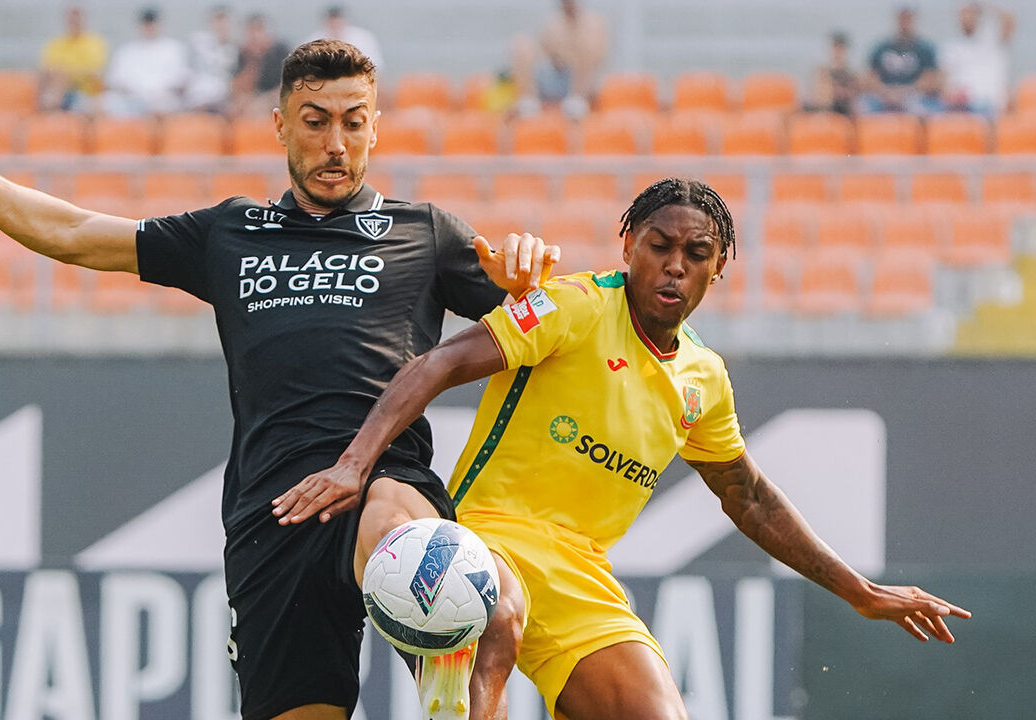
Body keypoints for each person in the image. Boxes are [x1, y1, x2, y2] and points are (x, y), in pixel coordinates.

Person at [0, 38, 557, 720]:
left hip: (379, 479)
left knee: (403, 535)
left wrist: (530, 282)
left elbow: (557, 326)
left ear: (375, 127)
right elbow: (72, 231)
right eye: (316, 120)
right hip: (274, 514)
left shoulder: (425, 233)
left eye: (354, 121)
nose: (336, 143)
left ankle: (445, 665)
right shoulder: (231, 233)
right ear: (281, 125)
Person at [276, 178, 972, 720]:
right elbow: (436, 365)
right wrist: (353, 463)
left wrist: (860, 592)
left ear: (718, 268)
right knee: (494, 615)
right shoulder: (572, 306)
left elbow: (747, 496)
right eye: (659, 246)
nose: (674, 267)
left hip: (583, 576)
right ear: (628, 246)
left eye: (695, 255)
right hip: (490, 536)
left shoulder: (704, 378)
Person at [511, 0, 608, 118]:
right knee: (522, 44)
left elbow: (596, 57)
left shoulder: (594, 23)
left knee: (586, 46)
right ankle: (529, 102)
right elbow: (544, 53)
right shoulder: (553, 24)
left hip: (581, 83)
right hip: (555, 76)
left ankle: (576, 103)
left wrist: (568, 53)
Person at [103, 7, 189, 117]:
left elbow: (182, 78)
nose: (149, 27)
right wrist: (137, 94)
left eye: (152, 23)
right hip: (132, 102)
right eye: (146, 23)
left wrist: (158, 94)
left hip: (165, 101)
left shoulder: (174, 48)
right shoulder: (127, 51)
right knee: (108, 102)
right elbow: (115, 79)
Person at [859, 5, 943, 115]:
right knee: (862, 106)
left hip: (915, 97)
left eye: (908, 18)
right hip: (884, 97)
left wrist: (904, 92)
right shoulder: (881, 48)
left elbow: (931, 80)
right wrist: (887, 92)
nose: (905, 22)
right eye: (902, 18)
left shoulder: (925, 49)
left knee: (927, 109)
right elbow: (870, 78)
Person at [941, 2, 1015, 117]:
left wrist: (983, 3)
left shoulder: (993, 40)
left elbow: (1009, 19)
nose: (966, 17)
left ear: (978, 15)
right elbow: (945, 82)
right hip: (963, 107)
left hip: (991, 106)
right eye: (963, 14)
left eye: (970, 13)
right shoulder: (952, 47)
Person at [38, 5, 107, 112]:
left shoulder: (94, 43)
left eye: (77, 19)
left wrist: (66, 72)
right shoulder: (57, 43)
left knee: (60, 76)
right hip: (61, 88)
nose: (74, 22)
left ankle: (50, 109)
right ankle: (47, 109)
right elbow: (47, 69)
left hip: (84, 91)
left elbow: (93, 72)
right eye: (72, 19)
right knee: (50, 76)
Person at [227, 13, 290, 118]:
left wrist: (265, 101)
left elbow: (289, 87)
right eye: (251, 32)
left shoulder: (281, 52)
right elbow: (237, 89)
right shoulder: (242, 53)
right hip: (253, 101)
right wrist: (254, 61)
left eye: (259, 30)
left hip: (275, 100)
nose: (256, 36)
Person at [180, 5, 238, 113]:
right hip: (195, 99)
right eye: (218, 20)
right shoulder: (197, 42)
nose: (221, 25)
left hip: (221, 102)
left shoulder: (234, 50)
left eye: (224, 21)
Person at [307, 5, 384, 71]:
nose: (335, 23)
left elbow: (375, 65)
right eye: (332, 20)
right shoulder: (314, 39)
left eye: (338, 20)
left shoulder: (362, 38)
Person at [811, 30, 860, 116]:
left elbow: (855, 94)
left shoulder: (852, 73)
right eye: (835, 47)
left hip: (845, 110)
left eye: (840, 48)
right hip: (825, 108)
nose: (837, 52)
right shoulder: (823, 71)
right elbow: (818, 95)